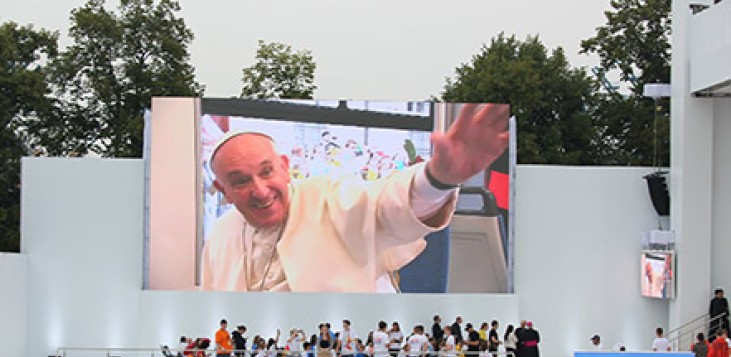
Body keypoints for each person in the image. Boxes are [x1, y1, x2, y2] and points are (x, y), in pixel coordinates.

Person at [200, 104, 510, 292]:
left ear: (284, 166)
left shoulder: (330, 197)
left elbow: (385, 204)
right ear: (223, 190)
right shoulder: (220, 234)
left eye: (266, 172)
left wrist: (438, 179)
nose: (260, 190)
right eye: (240, 181)